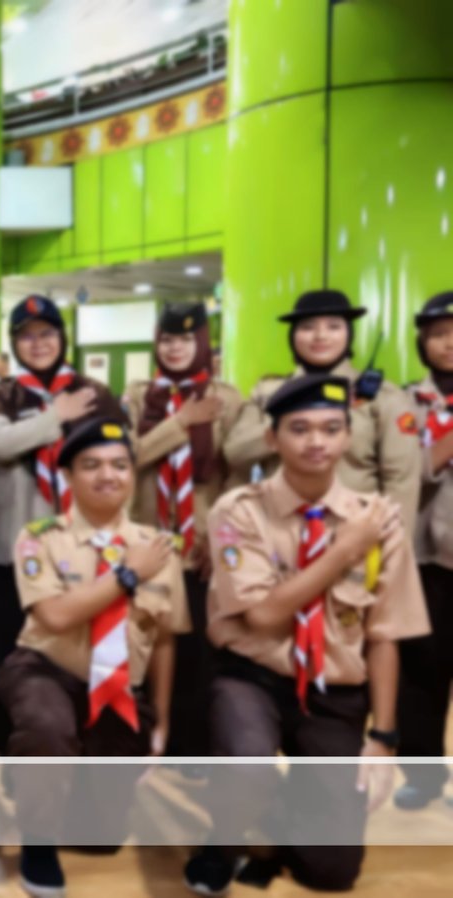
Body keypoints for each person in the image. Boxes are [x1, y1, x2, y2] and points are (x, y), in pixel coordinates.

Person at [184, 374, 427, 894]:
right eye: (299, 429)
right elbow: (263, 615)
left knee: (332, 873)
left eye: (331, 428)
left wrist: (383, 738)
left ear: (347, 437)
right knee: (247, 763)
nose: (317, 441)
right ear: (272, 438)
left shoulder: (377, 521)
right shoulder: (237, 511)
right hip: (253, 674)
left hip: (334, 689)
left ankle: (285, 810)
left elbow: (385, 633)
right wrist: (344, 550)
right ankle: (223, 838)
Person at [0, 417, 186, 898]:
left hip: (118, 684)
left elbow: (165, 639)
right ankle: (38, 840)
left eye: (120, 465)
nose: (108, 475)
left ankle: (44, 777)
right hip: (47, 669)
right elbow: (56, 616)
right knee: (46, 726)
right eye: (92, 465)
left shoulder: (158, 548)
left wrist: (162, 719)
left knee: (101, 838)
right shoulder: (39, 536)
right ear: (69, 476)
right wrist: (126, 576)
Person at [0, 294, 121, 751]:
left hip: (80, 545)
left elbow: (121, 455)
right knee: (6, 645)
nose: (38, 343)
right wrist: (56, 415)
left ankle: (75, 734)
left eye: (47, 333)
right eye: (26, 336)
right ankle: (5, 740)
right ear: (14, 343)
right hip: (10, 545)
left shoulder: (92, 391)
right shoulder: (1, 393)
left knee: (77, 640)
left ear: (63, 338)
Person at [121, 301, 242, 758]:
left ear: (203, 342)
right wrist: (180, 423)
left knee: (198, 650)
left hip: (202, 544)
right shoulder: (139, 396)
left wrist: (222, 535)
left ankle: (192, 746)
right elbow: (127, 457)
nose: (175, 348)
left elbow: (234, 473)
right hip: (147, 539)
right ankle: (145, 733)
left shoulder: (225, 398)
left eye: (186, 339)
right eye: (167, 339)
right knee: (145, 641)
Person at [223, 289, 421, 534]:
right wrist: (288, 416)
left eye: (333, 326)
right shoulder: (267, 392)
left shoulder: (382, 397)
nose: (320, 336)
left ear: (349, 334)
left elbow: (401, 481)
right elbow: (235, 452)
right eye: (307, 327)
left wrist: (392, 542)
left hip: (355, 530)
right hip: (278, 531)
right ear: (293, 336)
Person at [397, 291, 453, 810]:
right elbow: (407, 470)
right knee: (422, 668)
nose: (449, 343)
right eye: (438, 334)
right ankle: (422, 773)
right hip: (424, 555)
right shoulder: (406, 402)